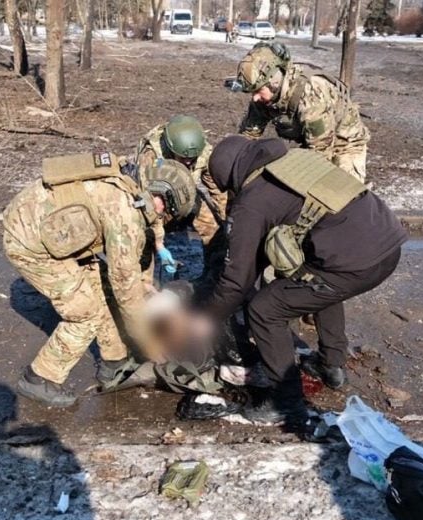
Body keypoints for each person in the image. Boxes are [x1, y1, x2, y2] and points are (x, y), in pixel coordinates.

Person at [203, 135, 407, 426]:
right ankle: (331, 365)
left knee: (265, 309)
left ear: (232, 176)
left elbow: (236, 282)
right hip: (387, 243)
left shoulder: (252, 201)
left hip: (356, 263)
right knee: (315, 281)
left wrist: (207, 317)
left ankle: (284, 402)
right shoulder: (294, 161)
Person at [3, 154, 197, 407]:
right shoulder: (126, 215)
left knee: (102, 285)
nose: (165, 219)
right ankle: (39, 378)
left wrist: (145, 277)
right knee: (85, 314)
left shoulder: (134, 183)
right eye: (168, 213)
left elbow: (126, 267)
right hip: (29, 244)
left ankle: (113, 362)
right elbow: (126, 293)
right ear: (162, 201)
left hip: (46, 223)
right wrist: (150, 344)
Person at [233, 42, 371, 182]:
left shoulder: (311, 94)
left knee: (339, 194)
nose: (255, 97)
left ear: (274, 82)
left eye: (258, 91)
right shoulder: (263, 97)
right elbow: (248, 135)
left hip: (345, 144)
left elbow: (321, 153)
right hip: (313, 141)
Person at [136, 115, 226, 289]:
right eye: (183, 158)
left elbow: (216, 190)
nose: (188, 162)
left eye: (192, 159)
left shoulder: (203, 153)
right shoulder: (150, 157)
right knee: (146, 237)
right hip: (157, 199)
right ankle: (145, 288)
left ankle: (213, 277)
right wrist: (159, 243)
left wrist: (227, 220)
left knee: (214, 229)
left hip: (186, 195)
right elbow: (147, 200)